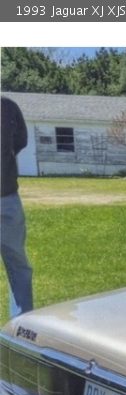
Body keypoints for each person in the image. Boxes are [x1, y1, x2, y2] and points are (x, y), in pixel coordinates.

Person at [1, 95, 32, 317]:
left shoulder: (8, 108)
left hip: (7, 198)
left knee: (18, 264)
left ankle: (22, 323)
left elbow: (20, 140)